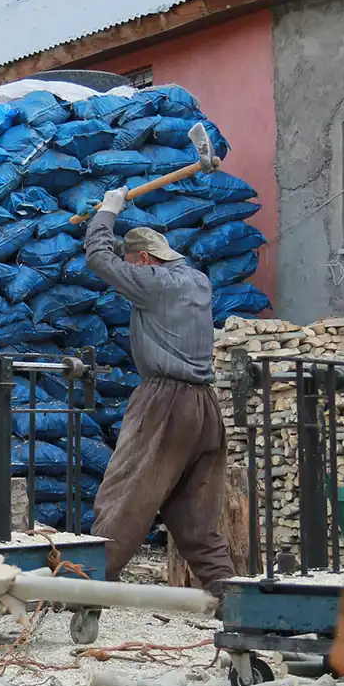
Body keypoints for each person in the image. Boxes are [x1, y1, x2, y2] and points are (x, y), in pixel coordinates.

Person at [82, 186, 234, 596]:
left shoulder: (155, 283)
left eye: (132, 264)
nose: (129, 275)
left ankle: (85, 592)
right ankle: (233, 597)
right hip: (204, 407)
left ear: (146, 261)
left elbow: (98, 259)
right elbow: (119, 258)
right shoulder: (198, 281)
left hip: (164, 402)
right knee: (196, 519)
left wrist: (106, 212)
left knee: (125, 498)